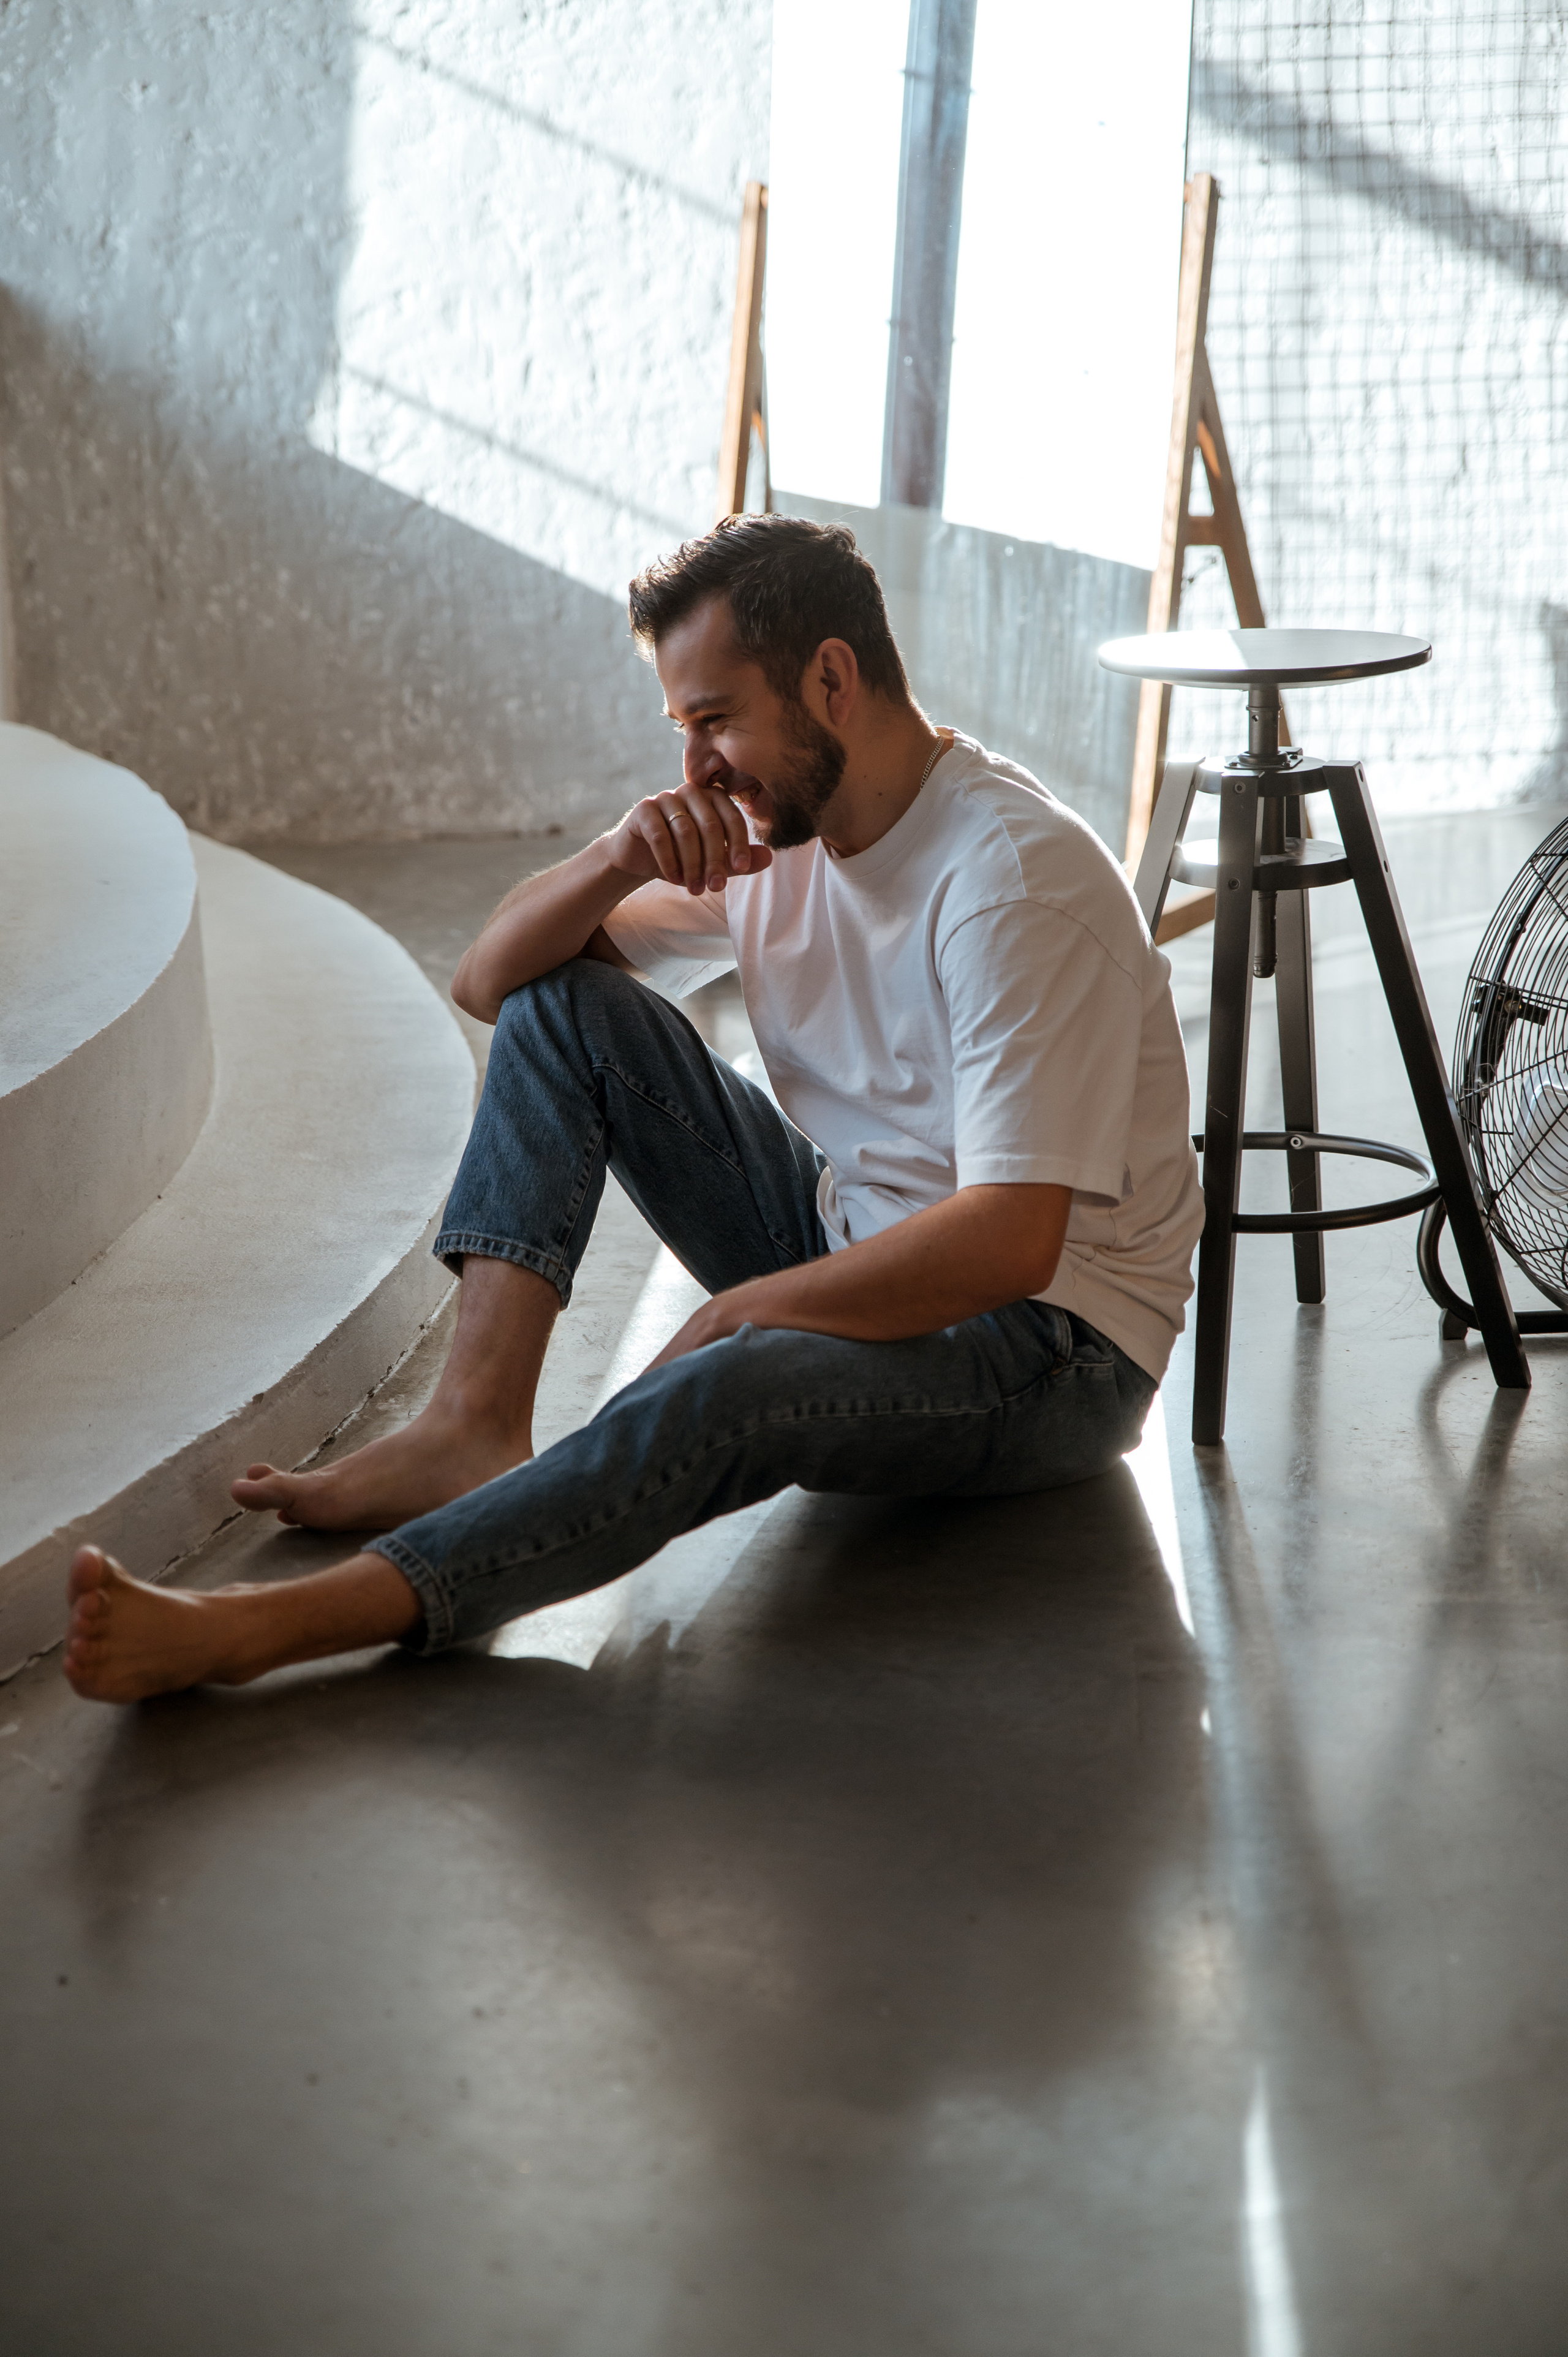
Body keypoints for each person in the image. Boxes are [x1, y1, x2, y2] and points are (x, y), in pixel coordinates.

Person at [63, 515, 1203, 1703]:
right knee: (567, 1003)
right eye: (682, 730)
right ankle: (471, 1424)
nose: (697, 766)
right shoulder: (781, 832)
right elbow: (491, 984)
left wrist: (747, 1311)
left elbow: (1006, 1241)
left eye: (714, 720)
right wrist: (616, 858)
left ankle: (278, 1626)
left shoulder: (1011, 880)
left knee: (728, 1376)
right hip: (859, 1233)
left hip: (1052, 1345)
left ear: (829, 677)